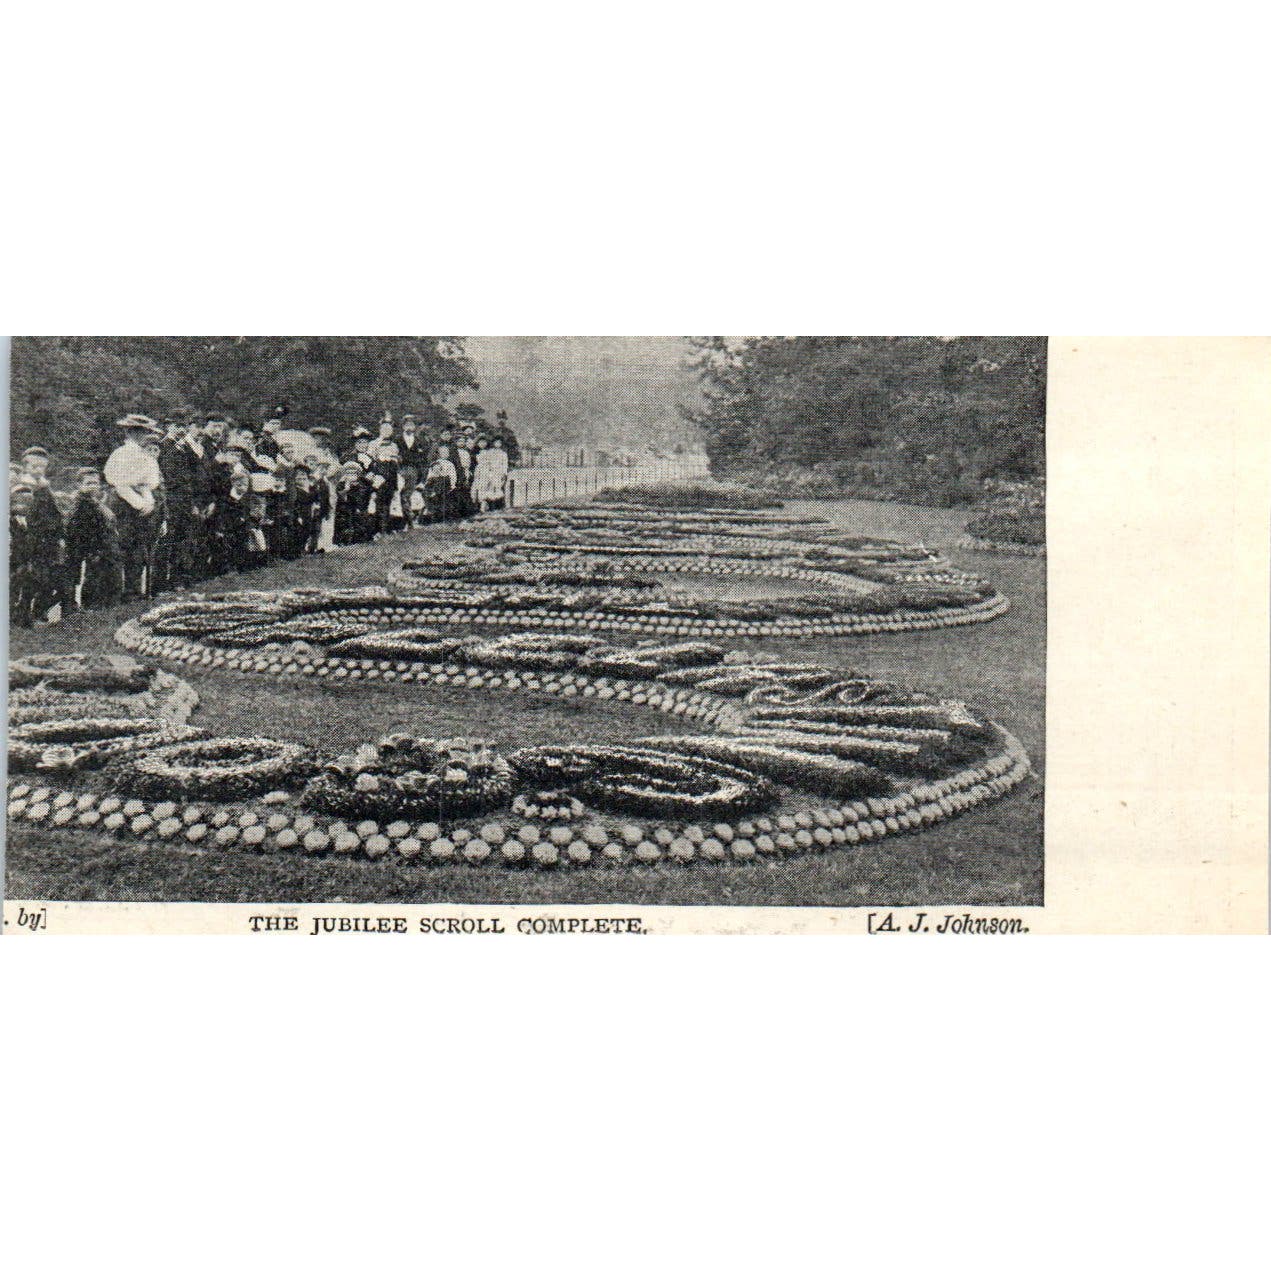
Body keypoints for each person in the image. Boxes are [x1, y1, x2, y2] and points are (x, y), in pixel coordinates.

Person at [103, 414, 164, 600]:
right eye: (141, 432)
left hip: (142, 504)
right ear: (130, 433)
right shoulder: (122, 454)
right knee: (124, 547)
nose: (146, 436)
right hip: (124, 504)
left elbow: (149, 483)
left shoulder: (146, 455)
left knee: (139, 549)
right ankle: (119, 594)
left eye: (146, 432)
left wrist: (149, 502)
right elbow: (120, 484)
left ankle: (135, 591)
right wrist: (139, 504)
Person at [18, 446, 67, 621]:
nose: (39, 470)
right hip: (31, 541)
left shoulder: (45, 488)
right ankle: (23, 614)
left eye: (42, 467)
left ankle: (40, 610)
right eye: (34, 466)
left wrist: (60, 535)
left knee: (52, 580)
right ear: (25, 467)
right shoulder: (22, 488)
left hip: (49, 541)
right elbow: (23, 517)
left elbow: (56, 514)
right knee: (32, 580)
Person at [64, 468, 123, 609]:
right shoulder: (80, 504)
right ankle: (92, 608)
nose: (93, 486)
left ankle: (108, 607)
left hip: (107, 549)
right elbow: (78, 531)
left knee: (111, 579)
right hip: (95, 551)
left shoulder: (96, 501)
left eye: (95, 483)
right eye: (88, 483)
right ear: (79, 485)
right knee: (94, 582)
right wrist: (92, 551)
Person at [10, 482, 39, 627]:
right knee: (12, 591)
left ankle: (24, 618)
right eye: (20, 501)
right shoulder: (9, 522)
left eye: (29, 502)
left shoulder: (32, 522)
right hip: (13, 563)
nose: (24, 506)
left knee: (28, 591)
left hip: (28, 562)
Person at [398, 416, 426, 522]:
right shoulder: (397, 439)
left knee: (409, 493)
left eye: (411, 425)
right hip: (400, 469)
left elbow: (423, 458)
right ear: (403, 426)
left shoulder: (419, 440)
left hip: (413, 470)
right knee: (401, 493)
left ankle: (409, 518)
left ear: (414, 427)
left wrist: (421, 474)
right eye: (407, 425)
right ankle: (403, 518)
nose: (409, 427)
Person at [472, 435, 509, 511]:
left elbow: (505, 465)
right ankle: (481, 506)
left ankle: (497, 507)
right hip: (485, 472)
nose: (498, 444)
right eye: (496, 442)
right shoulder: (489, 452)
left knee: (496, 489)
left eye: (499, 443)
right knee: (482, 488)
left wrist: (504, 474)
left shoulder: (503, 453)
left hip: (497, 473)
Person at [422, 445, 459, 522]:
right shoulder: (435, 463)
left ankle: (445, 515)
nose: (445, 454)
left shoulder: (450, 464)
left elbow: (453, 476)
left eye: (446, 452)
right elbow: (430, 476)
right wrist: (428, 486)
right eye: (443, 452)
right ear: (438, 453)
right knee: (432, 498)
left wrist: (452, 485)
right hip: (435, 485)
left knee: (446, 500)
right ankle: (432, 514)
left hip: (445, 485)